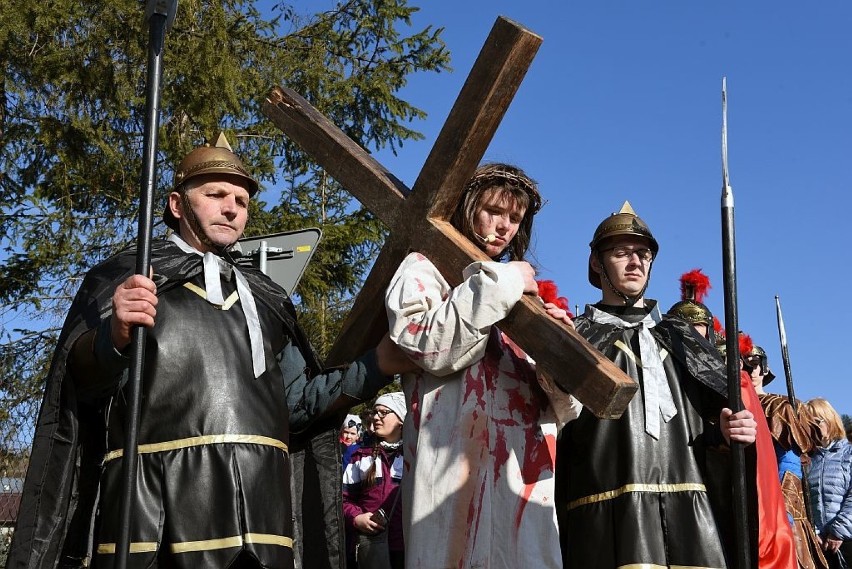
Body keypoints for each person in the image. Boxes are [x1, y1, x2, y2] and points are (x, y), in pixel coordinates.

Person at [7, 134, 409, 569]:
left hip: (260, 520)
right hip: (156, 521)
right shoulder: (131, 279)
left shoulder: (266, 297)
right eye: (215, 194)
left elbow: (295, 404)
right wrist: (115, 334)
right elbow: (79, 386)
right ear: (178, 205)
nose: (232, 207)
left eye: (241, 199)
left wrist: (377, 365)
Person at [385, 163, 581, 568]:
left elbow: (567, 410)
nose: (504, 226)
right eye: (494, 210)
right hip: (450, 473)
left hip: (522, 484)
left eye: (514, 218)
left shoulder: (531, 301)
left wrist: (557, 350)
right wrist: (503, 282)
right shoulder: (425, 268)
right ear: (468, 204)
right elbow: (428, 347)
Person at [556, 201, 758, 568]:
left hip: (691, 519)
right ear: (596, 263)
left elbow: (711, 431)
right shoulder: (577, 334)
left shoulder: (681, 337)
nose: (635, 262)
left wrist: (730, 436)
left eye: (643, 254)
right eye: (621, 252)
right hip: (604, 518)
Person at [746, 344, 827, 569]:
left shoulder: (779, 406)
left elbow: (788, 466)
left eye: (754, 364)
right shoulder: (725, 406)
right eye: (744, 363)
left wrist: (783, 514)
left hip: (776, 509)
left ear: (764, 369)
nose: (750, 370)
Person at [343, 392, 407, 569]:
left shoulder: (415, 457)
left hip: (408, 549)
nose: (376, 417)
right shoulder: (360, 456)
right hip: (369, 549)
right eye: (375, 412)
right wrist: (357, 518)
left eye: (384, 413)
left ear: (401, 419)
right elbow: (343, 499)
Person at [806, 398, 852, 569]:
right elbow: (805, 500)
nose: (812, 427)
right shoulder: (807, 460)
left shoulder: (849, 454)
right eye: (807, 423)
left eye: (817, 421)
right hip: (819, 543)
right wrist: (814, 532)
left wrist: (838, 532)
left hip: (847, 540)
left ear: (830, 419)